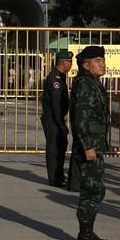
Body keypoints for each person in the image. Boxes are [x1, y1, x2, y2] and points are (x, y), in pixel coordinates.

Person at [68, 46, 111, 240]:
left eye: (103, 60)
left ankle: (86, 232)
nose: (103, 64)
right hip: (89, 146)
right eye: (98, 60)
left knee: (95, 190)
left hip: (95, 144)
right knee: (92, 190)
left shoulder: (92, 82)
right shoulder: (85, 84)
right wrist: (87, 146)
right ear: (86, 64)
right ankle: (85, 235)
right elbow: (81, 119)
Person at [41, 50, 72, 187]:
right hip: (53, 119)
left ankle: (58, 176)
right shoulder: (55, 79)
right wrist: (61, 124)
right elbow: (56, 104)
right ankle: (55, 179)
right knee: (54, 150)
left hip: (56, 118)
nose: (71, 64)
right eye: (70, 62)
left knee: (60, 148)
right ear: (64, 62)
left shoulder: (60, 76)